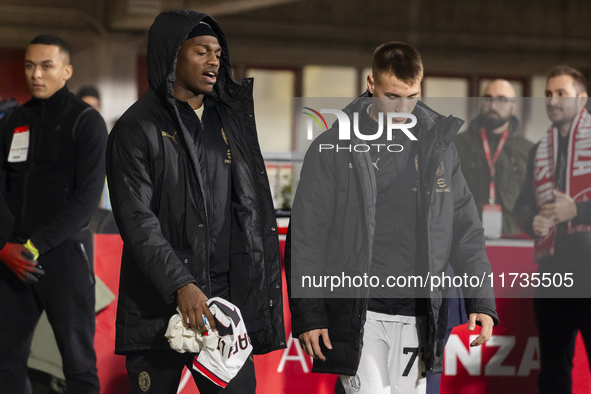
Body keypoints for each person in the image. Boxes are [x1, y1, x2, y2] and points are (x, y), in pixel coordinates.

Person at [286, 41, 497, 394]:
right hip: (360, 312)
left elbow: (465, 229)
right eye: (392, 96)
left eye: (412, 96)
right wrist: (309, 313)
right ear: (371, 84)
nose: (403, 108)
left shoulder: (439, 147)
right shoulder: (332, 147)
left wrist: (481, 299)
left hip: (418, 312)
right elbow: (307, 236)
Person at [106, 10, 285, 393]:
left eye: (218, 53)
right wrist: (181, 284)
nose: (214, 61)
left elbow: (248, 212)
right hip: (157, 305)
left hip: (220, 306)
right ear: (173, 56)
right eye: (201, 51)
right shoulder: (136, 127)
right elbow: (137, 220)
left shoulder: (229, 123)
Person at [0, 34, 107, 393]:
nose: (36, 74)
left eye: (46, 66)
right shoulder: (14, 120)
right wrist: (4, 245)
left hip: (63, 257)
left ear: (66, 71)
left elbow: (86, 200)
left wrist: (33, 246)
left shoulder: (86, 122)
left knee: (78, 365)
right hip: (12, 260)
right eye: (30, 66)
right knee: (5, 362)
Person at [514, 65, 591, 394]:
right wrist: (532, 221)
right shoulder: (538, 150)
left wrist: (578, 209)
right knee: (552, 374)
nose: (553, 100)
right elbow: (521, 206)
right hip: (552, 277)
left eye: (562, 93)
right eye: (548, 94)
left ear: (583, 98)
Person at [455, 79, 534, 238]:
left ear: (513, 107)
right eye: (488, 98)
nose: (493, 105)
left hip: (513, 238)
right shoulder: (456, 145)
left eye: (502, 99)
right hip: (465, 239)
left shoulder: (529, 150)